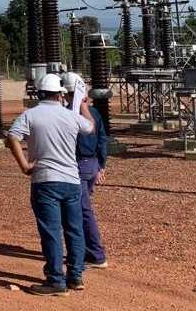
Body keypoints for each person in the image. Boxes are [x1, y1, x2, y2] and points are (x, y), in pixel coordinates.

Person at [5, 73, 95, 297]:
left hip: (45, 181)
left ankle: (56, 280)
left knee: (51, 231)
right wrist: (83, 106)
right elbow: (90, 128)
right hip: (72, 181)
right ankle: (75, 276)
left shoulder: (30, 115)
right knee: (74, 230)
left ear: (38, 93)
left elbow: (12, 137)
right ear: (61, 94)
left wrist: (25, 165)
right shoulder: (69, 116)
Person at [76, 94, 109, 270]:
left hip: (78, 165)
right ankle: (84, 250)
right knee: (82, 207)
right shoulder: (95, 113)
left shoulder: (69, 114)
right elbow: (102, 140)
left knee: (82, 209)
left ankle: (96, 254)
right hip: (92, 165)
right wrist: (101, 166)